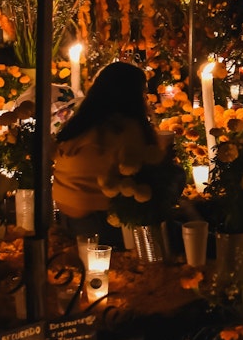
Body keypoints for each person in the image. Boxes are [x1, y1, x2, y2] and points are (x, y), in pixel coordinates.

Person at [53, 62, 168, 243]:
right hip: (100, 223)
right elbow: (152, 167)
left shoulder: (79, 125)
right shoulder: (126, 128)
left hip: (65, 215)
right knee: (172, 177)